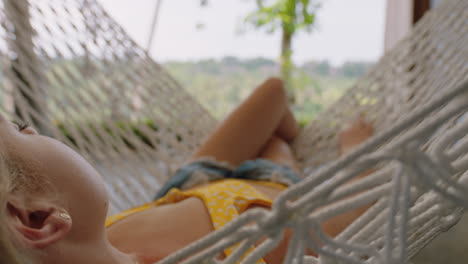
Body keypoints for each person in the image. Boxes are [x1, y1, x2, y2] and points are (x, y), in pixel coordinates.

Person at [0, 77, 373, 264]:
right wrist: (356, 149)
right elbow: (356, 213)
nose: (32, 128)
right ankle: (293, 146)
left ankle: (289, 139)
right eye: (20, 131)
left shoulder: (89, 242)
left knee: (273, 92)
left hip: (182, 189)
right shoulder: (247, 249)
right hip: (266, 201)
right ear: (39, 218)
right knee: (277, 144)